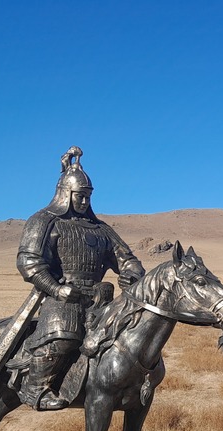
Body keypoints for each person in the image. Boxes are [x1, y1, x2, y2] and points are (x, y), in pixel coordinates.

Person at [16, 146, 145, 410]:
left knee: (131, 337)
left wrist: (131, 273)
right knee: (63, 337)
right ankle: (35, 388)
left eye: (88, 196)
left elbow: (126, 258)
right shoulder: (45, 221)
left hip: (100, 298)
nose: (85, 202)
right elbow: (29, 262)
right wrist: (55, 288)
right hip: (63, 296)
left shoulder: (101, 229)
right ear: (66, 193)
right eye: (80, 196)